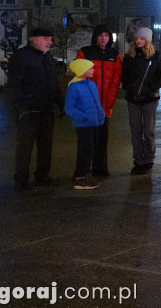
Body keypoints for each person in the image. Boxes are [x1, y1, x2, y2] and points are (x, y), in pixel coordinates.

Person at [8, 27, 63, 190]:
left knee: (45, 145)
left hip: (46, 110)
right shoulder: (22, 56)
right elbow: (15, 84)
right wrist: (21, 105)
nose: (50, 42)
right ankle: (21, 178)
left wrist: (61, 104)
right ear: (35, 39)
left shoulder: (48, 57)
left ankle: (42, 175)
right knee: (25, 146)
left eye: (50, 39)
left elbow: (53, 83)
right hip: (29, 111)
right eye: (46, 38)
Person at [121, 27, 161, 176]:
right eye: (137, 38)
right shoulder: (129, 56)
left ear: (148, 40)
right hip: (133, 99)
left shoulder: (155, 57)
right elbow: (125, 75)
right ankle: (138, 160)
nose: (138, 41)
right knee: (135, 132)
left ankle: (148, 159)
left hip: (149, 99)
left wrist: (151, 87)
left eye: (142, 39)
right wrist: (128, 87)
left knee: (148, 132)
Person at [74, 24, 121, 178]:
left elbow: (115, 81)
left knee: (102, 139)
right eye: (100, 35)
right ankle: (82, 171)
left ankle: (100, 168)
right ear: (95, 36)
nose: (103, 38)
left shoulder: (114, 55)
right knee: (86, 140)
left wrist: (110, 102)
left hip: (104, 106)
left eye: (106, 35)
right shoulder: (85, 52)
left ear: (110, 37)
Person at [64, 59, 104, 190]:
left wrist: (100, 115)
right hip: (84, 125)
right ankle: (81, 177)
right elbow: (69, 108)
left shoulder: (90, 84)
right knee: (85, 150)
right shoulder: (74, 87)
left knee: (89, 150)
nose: (93, 70)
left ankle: (83, 174)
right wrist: (84, 117)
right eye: (90, 68)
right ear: (82, 70)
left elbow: (96, 103)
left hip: (93, 123)